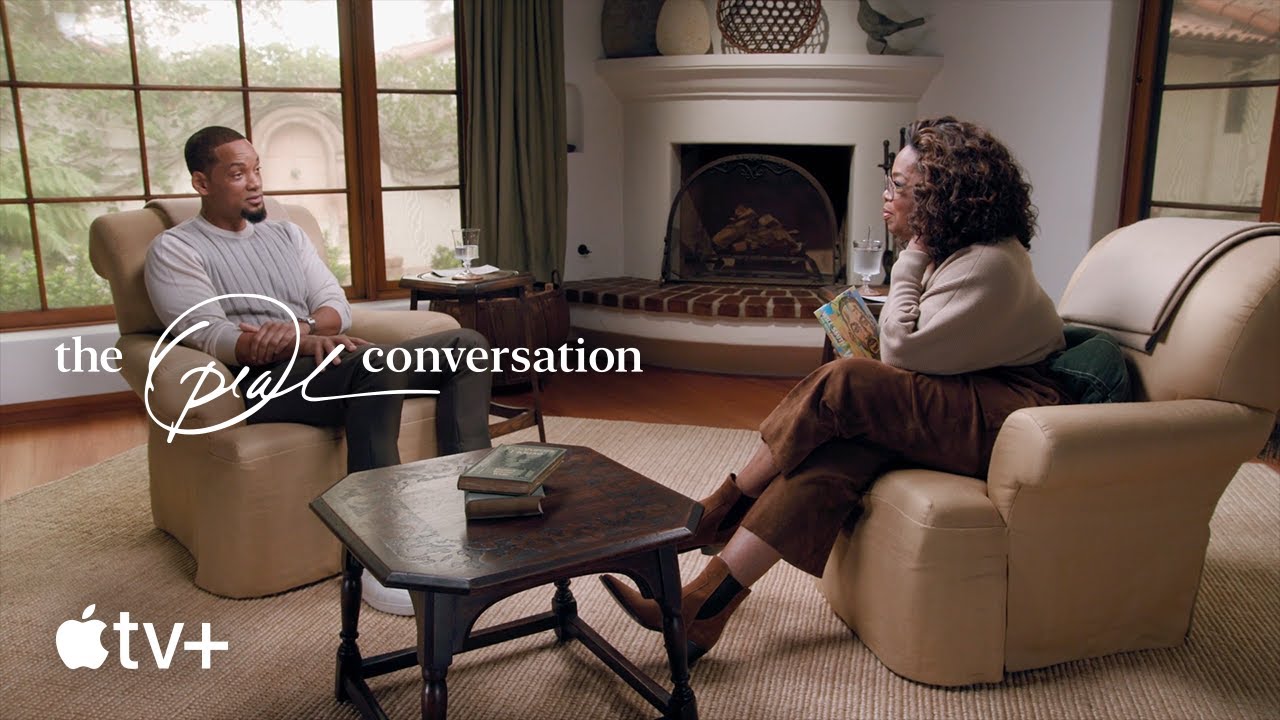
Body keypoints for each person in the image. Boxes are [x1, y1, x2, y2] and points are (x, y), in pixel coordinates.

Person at [600, 116, 1069, 664]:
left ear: (938, 196)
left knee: (845, 381)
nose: (886, 195)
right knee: (833, 456)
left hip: (1006, 415)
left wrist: (911, 257)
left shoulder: (987, 263)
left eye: (899, 185)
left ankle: (721, 509)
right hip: (969, 393)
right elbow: (924, 349)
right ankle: (703, 608)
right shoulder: (962, 252)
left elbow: (904, 352)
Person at [145, 126, 493, 613]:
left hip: (331, 359)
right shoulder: (175, 249)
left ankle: (479, 509)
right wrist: (302, 340)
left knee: (467, 346)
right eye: (238, 173)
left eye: (257, 169)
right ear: (202, 183)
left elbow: (336, 308)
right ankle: (379, 555)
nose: (255, 182)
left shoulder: (286, 234)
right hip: (265, 381)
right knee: (377, 364)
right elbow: (209, 334)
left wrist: (301, 328)